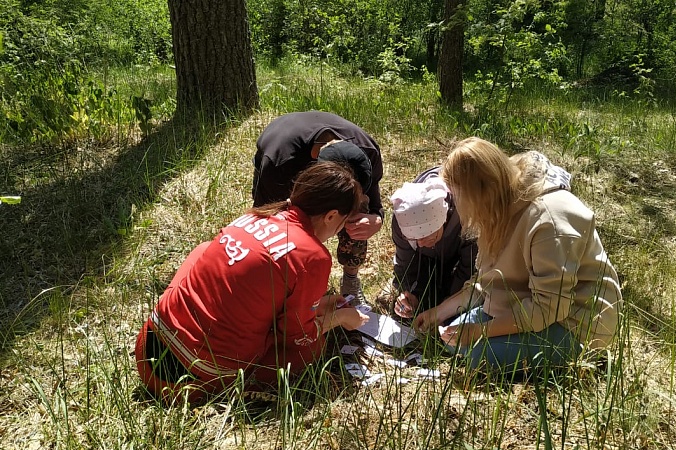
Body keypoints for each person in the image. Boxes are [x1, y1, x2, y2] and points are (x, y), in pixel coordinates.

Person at [135, 162, 370, 403]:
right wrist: (342, 318)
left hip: (146, 351)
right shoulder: (313, 256)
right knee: (311, 350)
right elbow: (297, 337)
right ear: (331, 216)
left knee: (204, 249)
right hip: (192, 381)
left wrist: (316, 305)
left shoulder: (255, 216)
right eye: (342, 223)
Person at [413, 137, 622, 376]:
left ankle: (578, 358)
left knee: (476, 355)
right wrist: (438, 313)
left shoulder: (549, 221)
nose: (458, 207)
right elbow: (486, 283)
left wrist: (479, 332)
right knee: (454, 339)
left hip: (577, 323)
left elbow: (548, 308)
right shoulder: (499, 206)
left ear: (482, 192)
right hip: (524, 302)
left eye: (460, 197)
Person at [252, 111, 384, 306]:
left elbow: (373, 202)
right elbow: (265, 220)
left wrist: (376, 218)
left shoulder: (368, 151)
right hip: (282, 156)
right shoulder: (280, 162)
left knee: (359, 215)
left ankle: (350, 282)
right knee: (285, 231)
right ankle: (286, 285)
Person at [388, 166, 478, 320]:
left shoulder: (467, 218)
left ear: (443, 220)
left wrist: (444, 309)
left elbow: (468, 269)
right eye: (413, 239)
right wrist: (411, 294)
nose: (421, 244)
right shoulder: (402, 218)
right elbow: (405, 264)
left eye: (428, 237)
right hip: (432, 263)